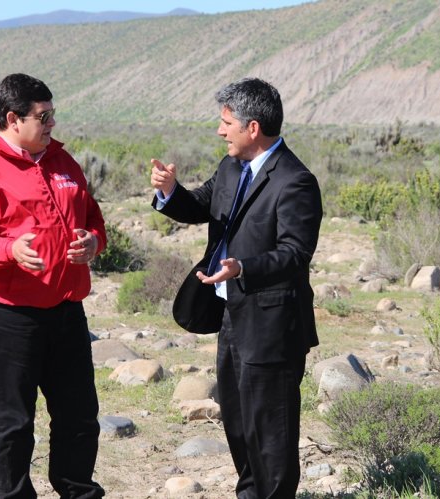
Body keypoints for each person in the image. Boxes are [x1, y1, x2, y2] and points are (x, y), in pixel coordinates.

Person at [150, 77, 322, 498]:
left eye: (226, 122)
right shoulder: (231, 168)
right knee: (239, 421)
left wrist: (243, 267)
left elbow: (295, 254)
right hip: (231, 317)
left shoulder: (296, 181)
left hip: (273, 324)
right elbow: (203, 205)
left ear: (253, 128)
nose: (219, 130)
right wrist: (171, 193)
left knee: (272, 431)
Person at [0, 73, 106, 499]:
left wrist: (93, 241)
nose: (52, 123)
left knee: (79, 415)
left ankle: (78, 492)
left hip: (67, 307)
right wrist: (9, 250)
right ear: (13, 119)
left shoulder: (61, 160)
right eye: (43, 116)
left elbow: (92, 217)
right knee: (12, 421)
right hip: (8, 312)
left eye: (53, 114)